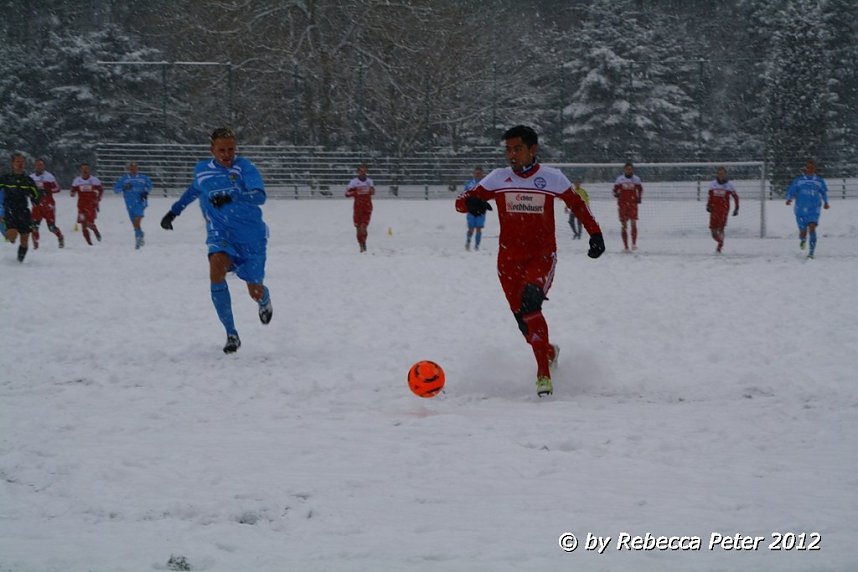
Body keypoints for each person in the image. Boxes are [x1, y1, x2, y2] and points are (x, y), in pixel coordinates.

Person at [455, 125, 605, 397]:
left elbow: (578, 205)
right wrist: (471, 204)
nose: (511, 155)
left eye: (517, 149)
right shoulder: (498, 178)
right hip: (508, 261)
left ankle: (543, 377)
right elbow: (462, 201)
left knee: (531, 301)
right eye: (508, 150)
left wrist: (595, 234)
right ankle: (548, 352)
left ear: (532, 149)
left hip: (541, 257)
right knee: (524, 322)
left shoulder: (552, 178)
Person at [160, 127, 273, 353]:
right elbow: (194, 190)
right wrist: (174, 212)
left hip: (251, 235)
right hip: (220, 232)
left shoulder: (245, 167)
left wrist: (234, 194)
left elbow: (260, 196)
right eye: (221, 150)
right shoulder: (202, 170)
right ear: (212, 149)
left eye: (231, 149)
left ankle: (264, 299)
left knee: (254, 289)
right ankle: (231, 334)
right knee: (216, 267)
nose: (227, 154)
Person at [785, 159, 830, 259]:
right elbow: (791, 190)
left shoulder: (819, 181)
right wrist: (788, 199)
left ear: (815, 168)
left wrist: (826, 202)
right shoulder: (799, 180)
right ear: (806, 168)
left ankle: (811, 253)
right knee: (803, 232)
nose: (810, 169)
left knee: (812, 228)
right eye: (808, 167)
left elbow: (823, 192)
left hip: (814, 208)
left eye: (812, 167)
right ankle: (803, 239)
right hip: (800, 209)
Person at [0, 153, 40, 262]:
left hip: (23, 211)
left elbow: (36, 195)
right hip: (10, 210)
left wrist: (36, 198)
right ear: (12, 164)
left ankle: (19, 262)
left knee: (25, 240)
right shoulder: (5, 178)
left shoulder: (28, 180)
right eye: (17, 162)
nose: (20, 164)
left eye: (22, 162)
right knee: (12, 236)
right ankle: (6, 230)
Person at [113, 161, 153, 249]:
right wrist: (124, 187)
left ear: (137, 169)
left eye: (135, 169)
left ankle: (138, 239)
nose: (133, 170)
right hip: (129, 203)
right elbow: (115, 190)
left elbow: (150, 186)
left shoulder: (143, 178)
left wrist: (145, 192)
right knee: (134, 224)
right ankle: (140, 235)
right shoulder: (124, 179)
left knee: (137, 221)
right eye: (131, 169)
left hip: (140, 202)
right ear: (128, 169)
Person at [29, 158, 65, 249]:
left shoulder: (49, 176)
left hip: (48, 206)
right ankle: (35, 245)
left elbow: (57, 189)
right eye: (37, 165)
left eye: (41, 165)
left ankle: (60, 237)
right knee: (34, 226)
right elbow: (28, 190)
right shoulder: (31, 177)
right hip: (36, 206)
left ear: (44, 166)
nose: (39, 166)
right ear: (35, 166)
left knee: (51, 227)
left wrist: (47, 191)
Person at [706, 166, 740, 253]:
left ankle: (719, 247)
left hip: (723, 210)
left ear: (725, 174)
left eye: (723, 173)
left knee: (721, 229)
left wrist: (736, 208)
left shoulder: (729, 185)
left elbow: (736, 197)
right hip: (714, 210)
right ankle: (720, 242)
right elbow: (710, 196)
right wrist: (708, 205)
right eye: (719, 173)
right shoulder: (712, 184)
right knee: (713, 232)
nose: (721, 175)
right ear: (717, 174)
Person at [69, 163, 104, 245]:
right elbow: (72, 191)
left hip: (91, 205)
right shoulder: (77, 181)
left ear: (89, 170)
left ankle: (95, 230)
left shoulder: (95, 180)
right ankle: (89, 243)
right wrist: (72, 193)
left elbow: (101, 190)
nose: (85, 170)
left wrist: (98, 199)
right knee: (83, 225)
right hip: (81, 206)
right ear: (81, 170)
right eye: (83, 169)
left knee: (89, 223)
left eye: (86, 169)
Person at [613, 162, 643, 251]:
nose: (628, 170)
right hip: (622, 205)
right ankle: (626, 246)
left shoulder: (636, 179)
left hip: (632, 204)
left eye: (630, 169)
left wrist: (639, 198)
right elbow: (615, 190)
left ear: (632, 170)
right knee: (624, 225)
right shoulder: (620, 179)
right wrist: (617, 194)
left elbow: (640, 190)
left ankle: (634, 244)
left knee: (633, 223)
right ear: (624, 170)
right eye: (627, 169)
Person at [345, 164, 375, 252]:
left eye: (364, 171)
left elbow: (372, 192)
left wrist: (371, 191)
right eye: (361, 171)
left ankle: (364, 244)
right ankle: (361, 245)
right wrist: (356, 192)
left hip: (367, 207)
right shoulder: (353, 182)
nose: (363, 173)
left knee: (363, 226)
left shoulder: (369, 181)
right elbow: (347, 194)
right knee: (358, 228)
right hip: (357, 207)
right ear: (358, 172)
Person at [463, 166, 490, 250]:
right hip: (471, 209)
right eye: (476, 173)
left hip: (481, 209)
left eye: (479, 173)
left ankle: (477, 246)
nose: (478, 175)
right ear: (473, 174)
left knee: (479, 228)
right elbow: (465, 195)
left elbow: (488, 194)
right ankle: (468, 242)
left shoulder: (485, 183)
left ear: (482, 174)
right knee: (471, 228)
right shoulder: (469, 184)